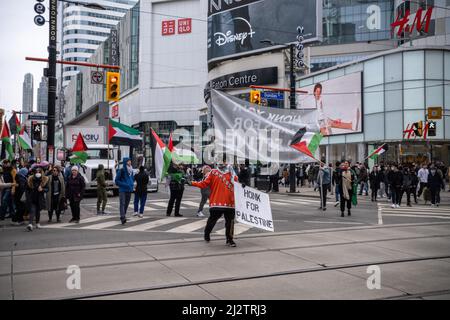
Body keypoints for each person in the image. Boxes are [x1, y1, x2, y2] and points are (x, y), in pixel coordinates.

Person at [190, 162, 238, 247]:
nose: (223, 163)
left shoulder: (232, 173)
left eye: (224, 161)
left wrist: (243, 185)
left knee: (230, 222)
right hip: (217, 202)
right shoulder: (213, 172)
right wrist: (192, 183)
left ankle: (230, 239)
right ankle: (207, 234)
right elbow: (204, 183)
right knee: (212, 220)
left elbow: (237, 184)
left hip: (230, 203)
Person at [115, 157, 134, 224]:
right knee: (122, 204)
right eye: (128, 161)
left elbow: (132, 179)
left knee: (126, 204)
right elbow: (116, 181)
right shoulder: (122, 170)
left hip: (129, 190)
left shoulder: (131, 170)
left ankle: (123, 215)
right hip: (122, 190)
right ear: (125, 162)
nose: (130, 162)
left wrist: (132, 184)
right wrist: (125, 184)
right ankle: (123, 217)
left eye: (130, 161)